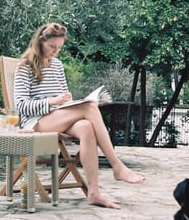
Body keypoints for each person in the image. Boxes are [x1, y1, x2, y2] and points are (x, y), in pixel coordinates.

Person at [14, 22, 145, 209]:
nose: (55, 51)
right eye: (52, 47)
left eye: (59, 48)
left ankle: (94, 193)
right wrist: (52, 102)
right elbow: (21, 106)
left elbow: (64, 96)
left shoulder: (57, 65)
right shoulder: (25, 66)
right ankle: (117, 165)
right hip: (36, 122)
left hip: (58, 116)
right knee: (90, 108)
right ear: (40, 41)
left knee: (86, 127)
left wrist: (67, 101)